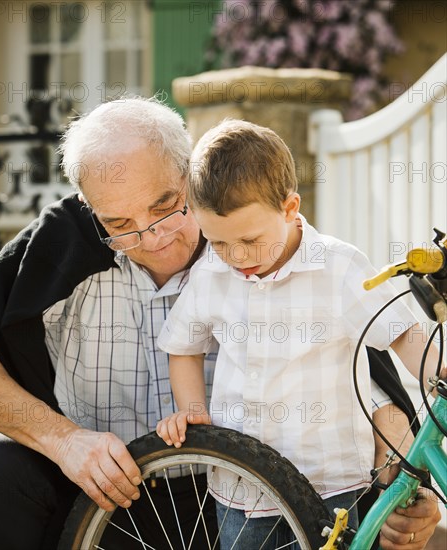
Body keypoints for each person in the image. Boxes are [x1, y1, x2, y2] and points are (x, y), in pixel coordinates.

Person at [0, 97, 440, 550]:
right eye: (120, 223)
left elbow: (351, 352)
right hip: (98, 492)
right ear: (90, 207)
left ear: (193, 173)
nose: (152, 238)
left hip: (225, 495)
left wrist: (399, 468)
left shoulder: (253, 238)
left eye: (166, 206)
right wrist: (63, 441)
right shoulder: (60, 243)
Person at [156, 119, 444, 548]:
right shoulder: (211, 274)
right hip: (243, 485)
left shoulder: (339, 266)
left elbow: (401, 334)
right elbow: (182, 346)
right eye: (218, 243)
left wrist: (438, 370)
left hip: (330, 484)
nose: (235, 257)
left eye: (250, 240)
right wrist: (193, 410)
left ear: (290, 208)